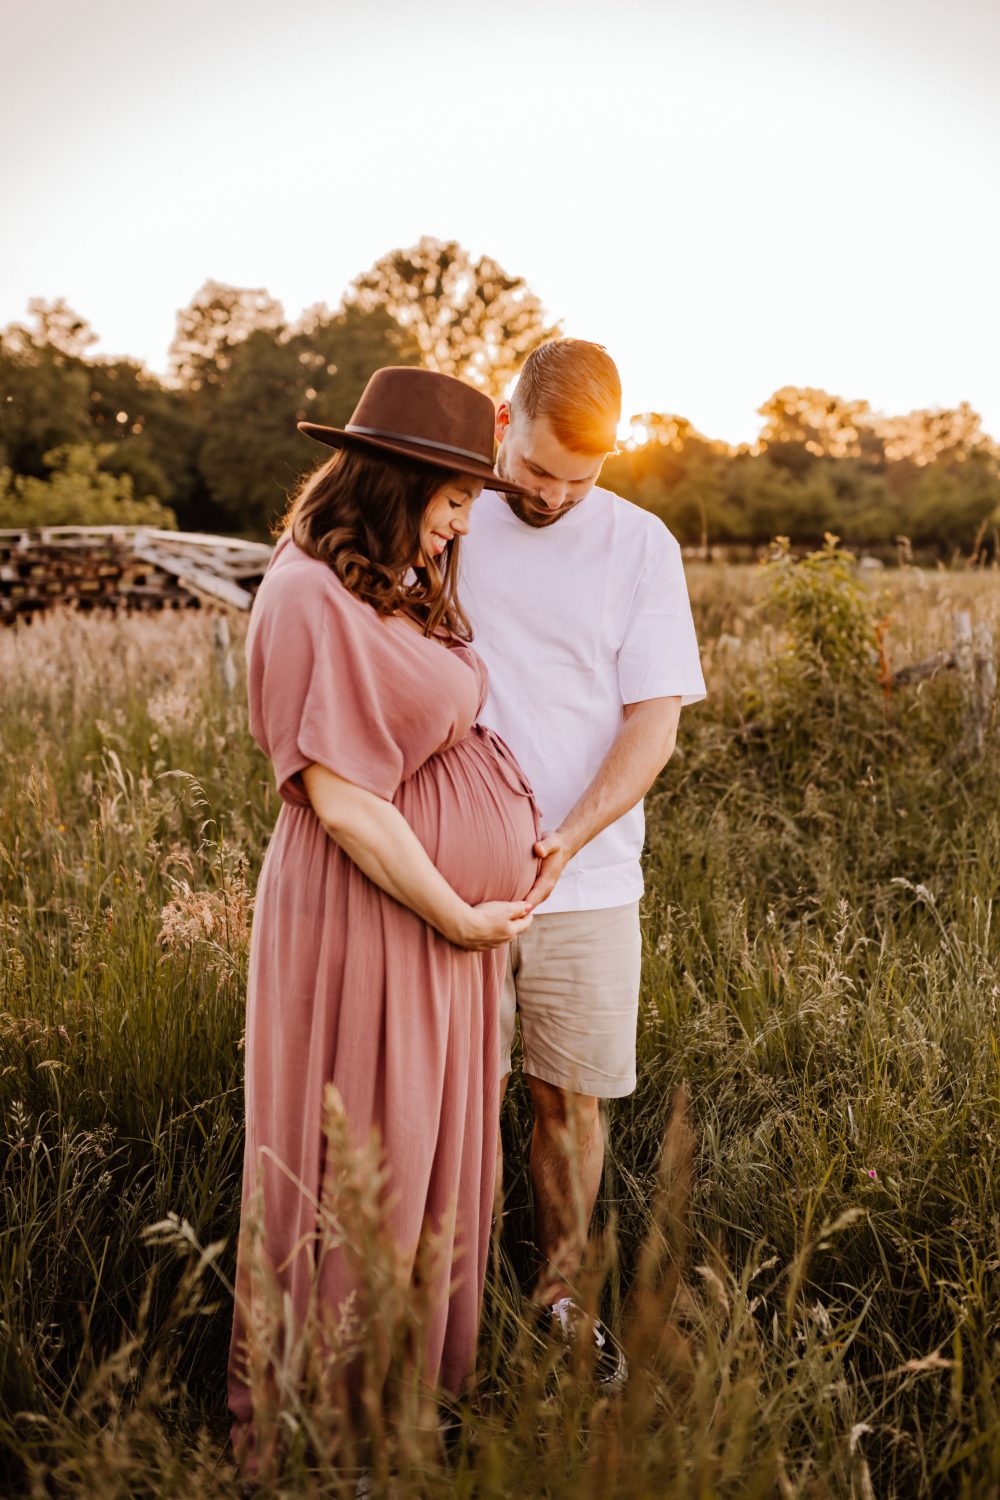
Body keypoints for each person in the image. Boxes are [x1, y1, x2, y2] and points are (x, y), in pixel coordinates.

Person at [227, 367, 542, 1473]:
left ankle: (408, 1408)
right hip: (368, 918)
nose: (463, 522)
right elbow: (343, 794)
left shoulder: (390, 583)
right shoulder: (308, 593)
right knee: (367, 1151)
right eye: (453, 496)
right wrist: (456, 913)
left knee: (431, 1149)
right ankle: (329, 1427)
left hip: (434, 920)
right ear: (394, 479)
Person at [459, 338, 706, 1386]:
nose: (554, 496)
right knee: (448, 1097)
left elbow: (653, 723)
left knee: (568, 1102)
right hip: (446, 872)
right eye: (537, 471)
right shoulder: (444, 515)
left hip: (587, 881)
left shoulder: (640, 546)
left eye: (580, 478)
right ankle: (440, 1304)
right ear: (502, 421)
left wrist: (572, 834)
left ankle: (560, 1299)